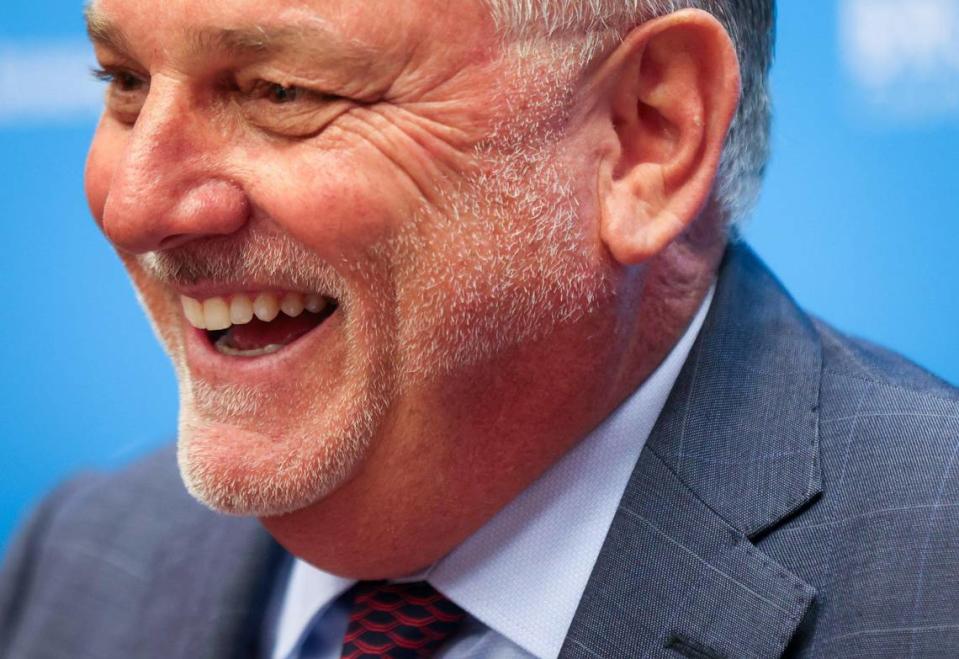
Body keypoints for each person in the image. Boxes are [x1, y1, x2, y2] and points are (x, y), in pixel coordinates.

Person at [2, 0, 958, 657]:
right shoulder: (76, 568)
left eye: (280, 93)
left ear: (645, 133)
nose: (132, 204)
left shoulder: (929, 584)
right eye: (122, 80)